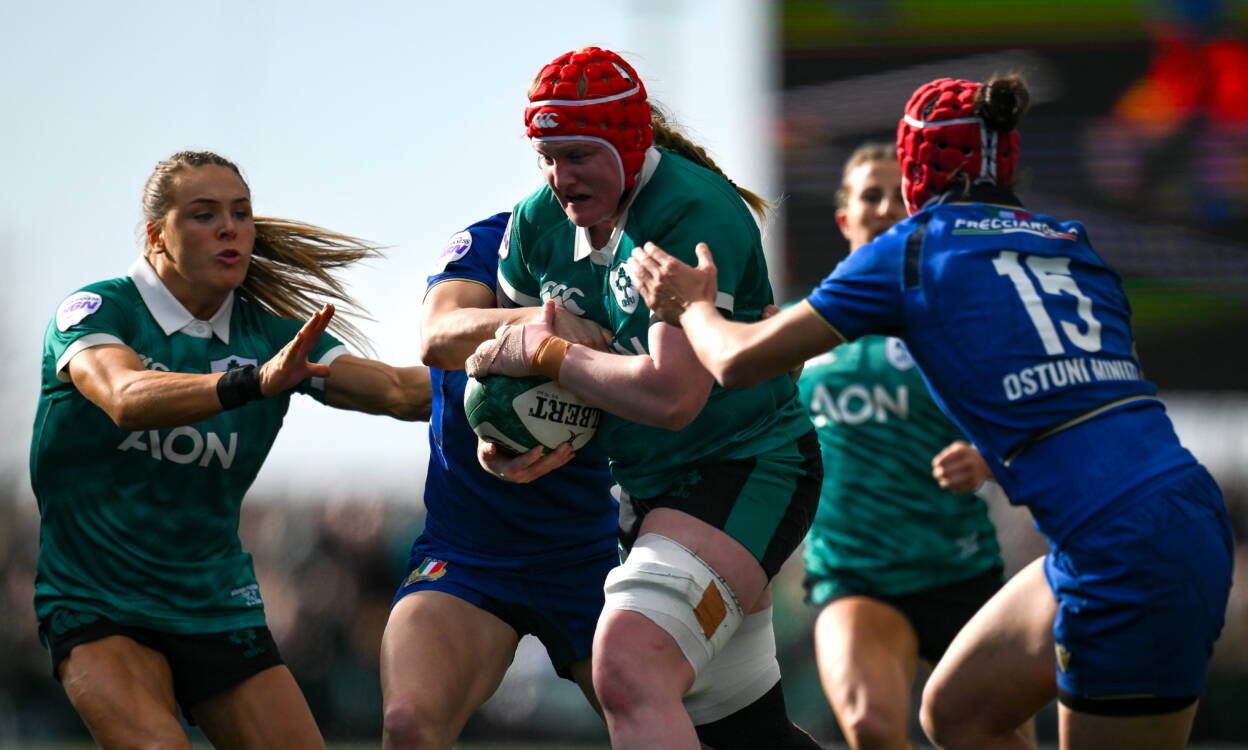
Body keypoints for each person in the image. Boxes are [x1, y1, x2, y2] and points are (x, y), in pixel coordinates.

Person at [629, 74, 1235, 750]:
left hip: (1121, 551)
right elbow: (1102, 396)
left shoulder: (914, 249)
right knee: (955, 715)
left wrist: (691, 306)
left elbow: (738, 360)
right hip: (1153, 513)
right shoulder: (1069, 242)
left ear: (916, 165)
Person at [464, 47, 824, 750]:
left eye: (578, 155)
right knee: (743, 735)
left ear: (629, 144)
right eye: (546, 157)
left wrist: (547, 352)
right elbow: (518, 378)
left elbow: (672, 396)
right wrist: (509, 430)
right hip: (649, 491)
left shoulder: (692, 210)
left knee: (627, 669)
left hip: (748, 467)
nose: (559, 179)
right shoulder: (538, 224)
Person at [30, 150, 431, 750]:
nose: (229, 228)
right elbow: (126, 395)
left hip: (215, 605)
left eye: (241, 213)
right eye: (203, 214)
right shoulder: (98, 310)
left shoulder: (272, 334)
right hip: (98, 602)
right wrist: (253, 382)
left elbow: (400, 391)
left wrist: (536, 371)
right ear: (156, 236)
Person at [799, 143, 1024, 750]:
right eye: (870, 195)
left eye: (900, 195)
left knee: (990, 736)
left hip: (961, 570)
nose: (885, 207)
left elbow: (1031, 425)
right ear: (845, 218)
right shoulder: (798, 333)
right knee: (872, 729)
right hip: (855, 579)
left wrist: (983, 457)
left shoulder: (955, 322)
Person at [378, 212, 620, 750]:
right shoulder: (491, 240)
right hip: (469, 554)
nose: (566, 174)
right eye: (553, 156)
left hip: (599, 557)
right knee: (409, 725)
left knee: (686, 737)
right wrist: (541, 324)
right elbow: (438, 334)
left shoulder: (639, 266)